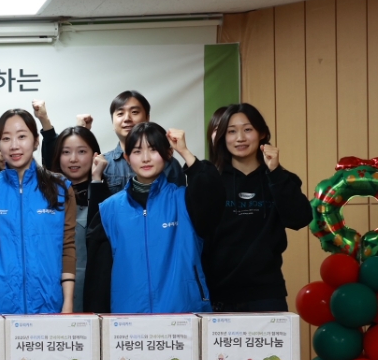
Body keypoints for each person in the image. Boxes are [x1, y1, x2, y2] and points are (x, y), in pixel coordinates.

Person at [84, 123, 225, 314]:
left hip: (184, 315)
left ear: (168, 153)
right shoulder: (109, 210)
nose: (145, 158)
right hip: (128, 320)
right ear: (127, 158)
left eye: (153, 149)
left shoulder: (186, 200)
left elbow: (213, 194)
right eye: (137, 151)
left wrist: (184, 151)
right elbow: (98, 282)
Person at [203, 104, 312, 312]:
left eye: (248, 129)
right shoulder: (211, 180)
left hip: (266, 294)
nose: (240, 138)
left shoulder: (281, 179)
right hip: (217, 294)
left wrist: (275, 172)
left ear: (262, 133)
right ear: (222, 137)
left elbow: (299, 219)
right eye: (231, 131)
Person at [0, 109, 77, 315]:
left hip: (49, 303)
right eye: (6, 139)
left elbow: (68, 248)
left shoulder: (61, 187)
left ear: (36, 141)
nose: (14, 145)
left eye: (22, 136)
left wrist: (67, 303)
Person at [50, 126, 110, 313]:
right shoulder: (44, 195)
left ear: (95, 155)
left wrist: (96, 180)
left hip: (90, 290)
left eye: (82, 151)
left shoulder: (106, 196)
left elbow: (98, 236)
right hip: (49, 286)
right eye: (66, 152)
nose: (73, 159)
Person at [102, 90, 184, 192]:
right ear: (112, 122)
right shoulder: (103, 164)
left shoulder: (168, 162)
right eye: (120, 113)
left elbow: (180, 199)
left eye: (134, 112)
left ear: (147, 118)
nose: (127, 118)